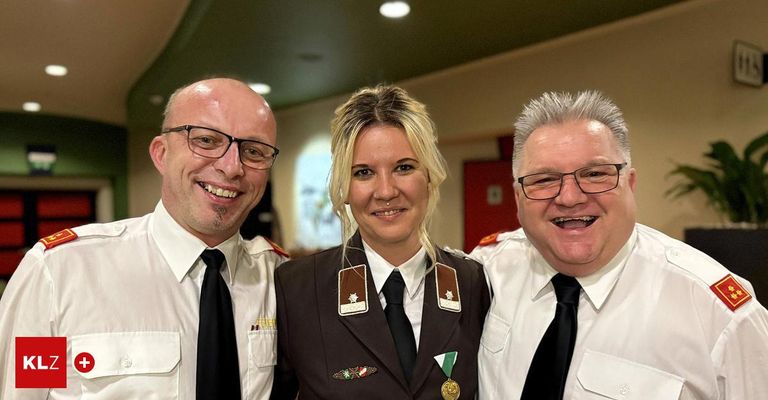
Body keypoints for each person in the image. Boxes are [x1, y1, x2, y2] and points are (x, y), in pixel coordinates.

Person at [0, 78, 288, 399]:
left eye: (254, 151)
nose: (232, 167)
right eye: (206, 140)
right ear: (161, 154)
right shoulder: (60, 272)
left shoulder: (282, 279)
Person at [471, 90, 768, 399]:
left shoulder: (719, 316)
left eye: (596, 174)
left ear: (630, 183)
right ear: (518, 198)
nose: (569, 198)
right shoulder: (487, 271)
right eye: (544, 180)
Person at [271, 85, 490, 400]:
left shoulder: (472, 282)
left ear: (428, 176)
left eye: (404, 167)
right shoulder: (297, 288)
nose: (386, 191)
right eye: (363, 172)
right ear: (344, 188)